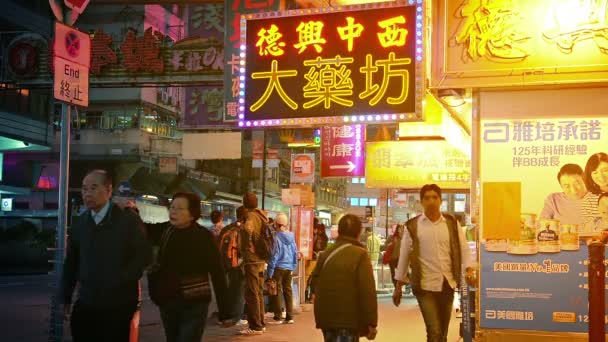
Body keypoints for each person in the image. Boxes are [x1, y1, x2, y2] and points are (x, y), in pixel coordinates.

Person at [59, 169, 152, 342]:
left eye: (93, 188)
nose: (87, 193)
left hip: (118, 303)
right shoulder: (80, 224)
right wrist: (65, 296)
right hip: (87, 301)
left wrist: (121, 278)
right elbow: (71, 262)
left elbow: (144, 255)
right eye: (84, 188)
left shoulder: (127, 220)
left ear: (108, 190)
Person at [393, 184, 475, 342]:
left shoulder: (451, 223)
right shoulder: (413, 226)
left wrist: (469, 270)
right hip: (424, 286)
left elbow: (463, 248)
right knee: (434, 331)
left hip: (447, 284)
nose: (431, 201)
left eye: (434, 197)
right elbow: (404, 256)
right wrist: (398, 286)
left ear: (440, 200)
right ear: (421, 202)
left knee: (442, 334)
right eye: (427, 198)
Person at [144, 192, 230, 342]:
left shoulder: (204, 237)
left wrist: (225, 311)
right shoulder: (167, 230)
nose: (173, 211)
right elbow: (143, 230)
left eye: (179, 209)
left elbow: (217, 272)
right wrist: (131, 212)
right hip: (168, 300)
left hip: (194, 303)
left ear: (192, 214)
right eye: (172, 207)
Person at [311, 214, 378, 342]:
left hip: (326, 319)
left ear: (340, 231)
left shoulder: (325, 254)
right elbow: (367, 290)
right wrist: (371, 322)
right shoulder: (360, 254)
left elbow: (314, 284)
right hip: (348, 320)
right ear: (359, 232)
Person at [240, 192, 270, 335]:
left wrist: (246, 248)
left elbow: (247, 231)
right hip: (261, 259)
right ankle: (261, 323)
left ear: (245, 203)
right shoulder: (262, 216)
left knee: (252, 292)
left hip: (252, 259)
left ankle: (255, 326)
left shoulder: (250, 216)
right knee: (258, 291)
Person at [218, 206, 248, 326]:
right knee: (239, 291)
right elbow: (243, 249)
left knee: (231, 290)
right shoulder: (242, 229)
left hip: (227, 264)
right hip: (239, 264)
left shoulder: (227, 228)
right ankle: (237, 317)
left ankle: (227, 315)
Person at [267, 213, 298, 324]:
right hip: (289, 268)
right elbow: (295, 253)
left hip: (278, 268)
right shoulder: (291, 237)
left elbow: (274, 255)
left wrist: (270, 272)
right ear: (286, 224)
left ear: (276, 223)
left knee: (277, 292)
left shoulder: (276, 237)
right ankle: (290, 317)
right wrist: (293, 267)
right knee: (288, 292)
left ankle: (278, 316)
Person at [582, 153, 608, 231]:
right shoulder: (589, 200)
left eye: (605, 170)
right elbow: (587, 230)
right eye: (595, 172)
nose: (601, 176)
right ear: (590, 176)